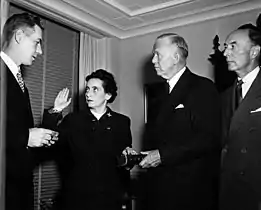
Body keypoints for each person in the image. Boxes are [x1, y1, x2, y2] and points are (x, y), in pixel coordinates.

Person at [139, 33, 221, 210]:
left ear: (176, 57)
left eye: (157, 54)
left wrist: (162, 155)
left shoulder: (202, 87)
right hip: (159, 191)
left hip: (189, 193)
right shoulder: (159, 95)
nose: (153, 60)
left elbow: (209, 138)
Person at [1, 13, 70, 210]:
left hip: (17, 189)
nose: (40, 51)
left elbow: (26, 135)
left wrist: (55, 111)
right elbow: (23, 136)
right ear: (19, 36)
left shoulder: (19, 82)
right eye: (37, 42)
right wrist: (24, 137)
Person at [43, 69, 133, 210]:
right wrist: (55, 111)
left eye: (95, 89)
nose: (88, 94)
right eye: (87, 89)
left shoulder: (121, 122)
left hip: (109, 198)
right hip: (77, 198)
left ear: (108, 95)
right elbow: (49, 141)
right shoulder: (73, 120)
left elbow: (124, 160)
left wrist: (128, 158)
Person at [219, 23, 261, 210]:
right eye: (225, 47)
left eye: (232, 46)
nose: (225, 53)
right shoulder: (224, 96)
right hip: (229, 191)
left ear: (254, 52)